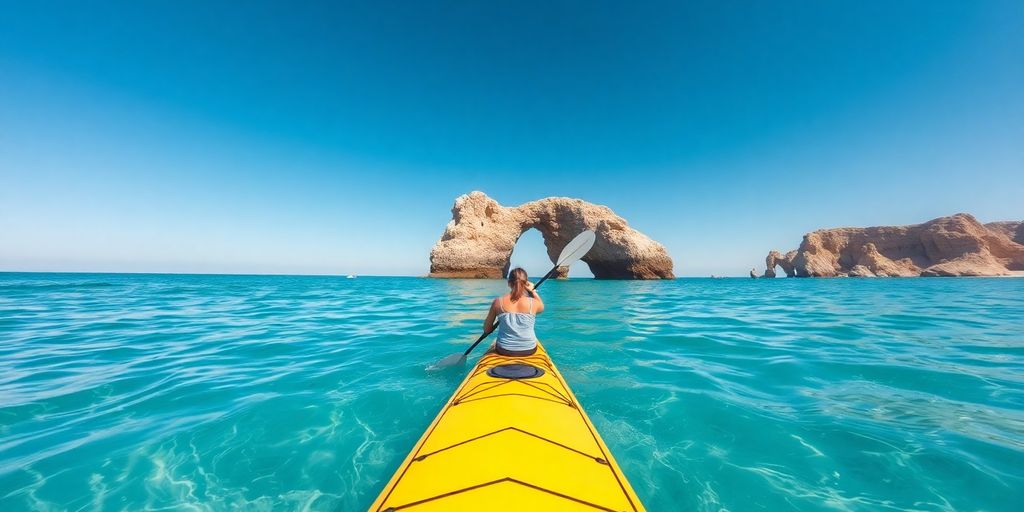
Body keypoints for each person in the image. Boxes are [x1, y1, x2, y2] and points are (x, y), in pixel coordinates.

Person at [483, 267, 544, 356]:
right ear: (526, 283)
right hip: (529, 349)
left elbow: (487, 330)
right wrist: (533, 292)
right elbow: (541, 308)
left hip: (504, 349)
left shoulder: (497, 302)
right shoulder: (533, 303)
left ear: (509, 283)